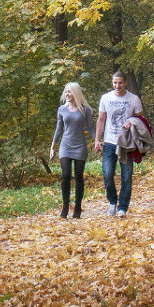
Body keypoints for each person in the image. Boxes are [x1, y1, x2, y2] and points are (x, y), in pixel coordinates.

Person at [94, 71, 143, 217]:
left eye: (120, 82)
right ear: (112, 82)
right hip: (109, 142)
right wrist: (97, 139)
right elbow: (101, 119)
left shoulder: (133, 99)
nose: (117, 85)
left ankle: (123, 207)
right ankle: (112, 202)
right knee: (107, 174)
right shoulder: (106, 98)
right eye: (115, 82)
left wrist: (131, 122)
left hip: (126, 143)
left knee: (126, 176)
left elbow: (141, 120)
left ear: (125, 83)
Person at [49, 82, 93, 219]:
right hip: (65, 146)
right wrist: (53, 146)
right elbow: (59, 129)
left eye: (70, 92)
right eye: (66, 92)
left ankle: (78, 207)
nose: (67, 94)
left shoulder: (85, 110)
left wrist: (97, 140)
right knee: (66, 175)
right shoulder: (62, 109)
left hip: (80, 145)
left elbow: (90, 128)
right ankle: (65, 207)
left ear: (76, 93)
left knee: (78, 176)